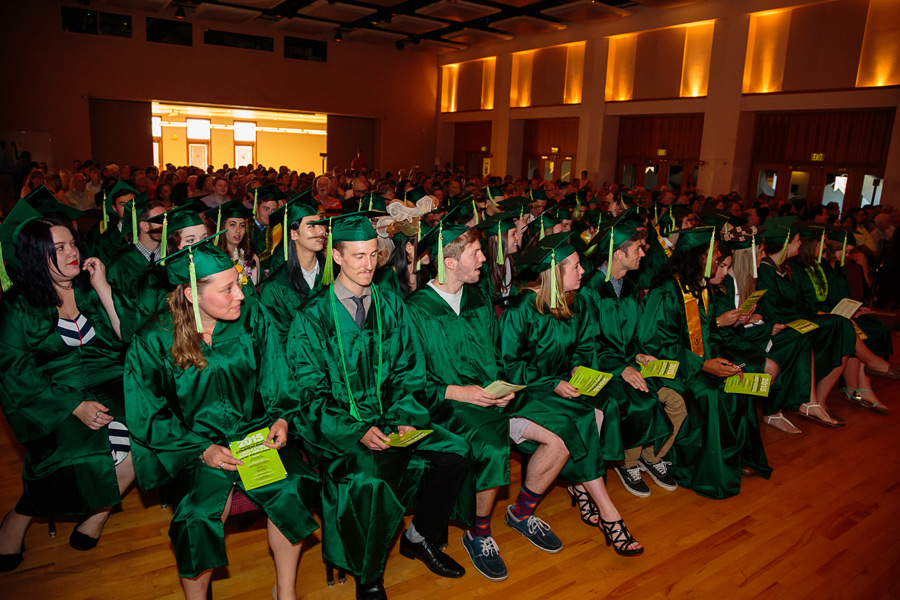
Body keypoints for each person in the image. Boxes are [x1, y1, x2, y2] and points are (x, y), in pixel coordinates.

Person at [284, 213, 470, 600]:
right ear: (336, 257)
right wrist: (356, 430)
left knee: (456, 452)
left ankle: (419, 537)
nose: (368, 265)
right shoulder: (311, 318)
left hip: (390, 418)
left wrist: (404, 419)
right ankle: (369, 577)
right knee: (371, 480)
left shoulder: (391, 306)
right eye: (357, 257)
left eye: (373, 255)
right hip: (339, 432)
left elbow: (408, 370)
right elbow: (307, 395)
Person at [123, 238, 318, 600]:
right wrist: (202, 450)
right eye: (227, 289)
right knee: (196, 517)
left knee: (293, 485)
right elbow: (147, 413)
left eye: (238, 284)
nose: (240, 295)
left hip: (253, 434)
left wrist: (280, 418)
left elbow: (275, 373)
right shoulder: (153, 340)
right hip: (192, 446)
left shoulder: (253, 316)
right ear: (191, 295)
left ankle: (285, 591)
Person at [407, 223, 575, 581]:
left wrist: (503, 388)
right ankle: (478, 532)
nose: (485, 258)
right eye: (476, 254)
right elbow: (409, 379)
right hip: (444, 404)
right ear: (450, 263)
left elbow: (495, 357)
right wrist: (458, 392)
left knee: (561, 436)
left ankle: (522, 512)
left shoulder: (478, 297)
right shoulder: (415, 309)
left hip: (490, 397)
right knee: (492, 443)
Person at [0, 206, 134, 571]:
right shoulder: (18, 307)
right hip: (51, 399)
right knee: (72, 453)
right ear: (35, 257)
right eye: (58, 248)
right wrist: (74, 405)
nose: (72, 252)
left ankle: (97, 514)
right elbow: (15, 370)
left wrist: (104, 288)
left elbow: (128, 337)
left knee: (146, 436)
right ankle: (19, 516)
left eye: (72, 243)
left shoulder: (89, 292)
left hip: (108, 387)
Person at [500, 232, 644, 556]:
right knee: (580, 420)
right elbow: (508, 365)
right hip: (525, 393)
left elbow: (583, 347)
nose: (584, 273)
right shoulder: (521, 309)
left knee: (601, 406)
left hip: (561, 387)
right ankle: (609, 513)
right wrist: (551, 383)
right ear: (556, 272)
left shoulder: (571, 303)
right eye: (576, 267)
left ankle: (582, 489)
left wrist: (579, 369)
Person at [639, 227, 771, 499]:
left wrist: (719, 357)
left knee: (737, 382)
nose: (718, 264)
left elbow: (706, 333)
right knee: (710, 394)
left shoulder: (700, 289)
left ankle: (732, 459)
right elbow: (656, 345)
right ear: (697, 259)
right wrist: (702, 365)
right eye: (714, 257)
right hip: (669, 368)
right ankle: (700, 469)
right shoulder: (665, 292)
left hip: (696, 362)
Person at [580, 214, 683, 498]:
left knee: (677, 398)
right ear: (619, 253)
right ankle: (628, 463)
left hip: (627, 364)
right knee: (641, 401)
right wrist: (619, 368)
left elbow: (633, 334)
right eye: (637, 248)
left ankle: (651, 457)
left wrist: (638, 355)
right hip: (600, 368)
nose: (644, 252)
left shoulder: (631, 287)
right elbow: (585, 344)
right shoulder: (588, 290)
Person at [755, 218, 861, 427]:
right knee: (834, 326)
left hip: (795, 320)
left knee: (839, 325)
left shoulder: (786, 269)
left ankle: (814, 401)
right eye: (796, 240)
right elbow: (771, 311)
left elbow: (799, 304)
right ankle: (810, 401)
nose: (800, 244)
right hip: (780, 326)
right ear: (785, 243)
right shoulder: (766, 270)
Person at [794, 225, 895, 413]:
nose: (848, 256)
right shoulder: (805, 268)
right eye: (846, 251)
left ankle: (860, 388)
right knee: (850, 332)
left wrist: (854, 308)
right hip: (814, 317)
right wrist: (836, 312)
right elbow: (807, 303)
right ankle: (862, 380)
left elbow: (834, 297)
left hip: (830, 313)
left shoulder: (828, 268)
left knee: (872, 327)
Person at [258, 199, 326, 342]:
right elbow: (278, 341)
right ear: (294, 234)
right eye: (312, 226)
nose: (321, 231)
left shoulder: (335, 274)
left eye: (321, 224)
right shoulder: (274, 288)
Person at [107, 199, 166, 296]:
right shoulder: (120, 263)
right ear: (145, 225)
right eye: (160, 220)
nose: (166, 225)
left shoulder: (172, 255)